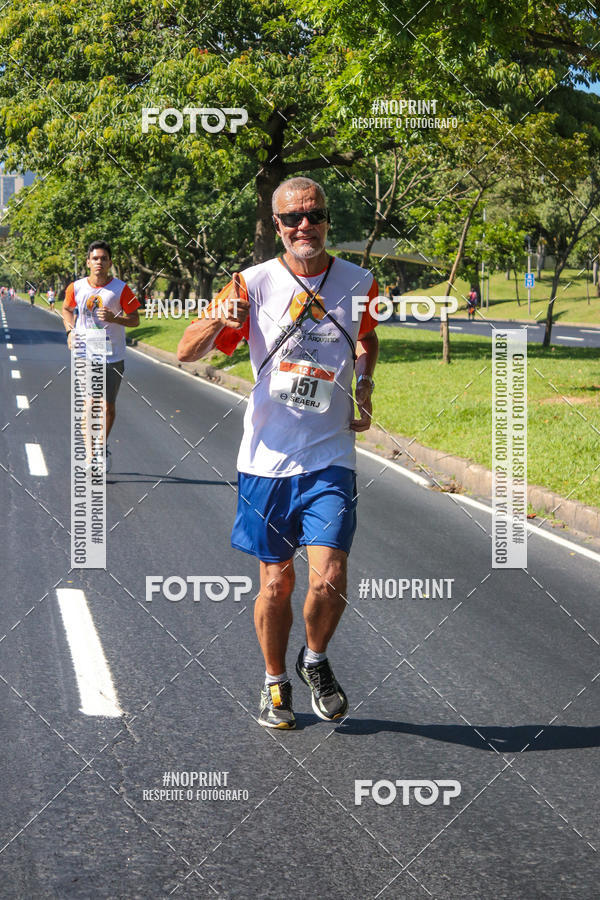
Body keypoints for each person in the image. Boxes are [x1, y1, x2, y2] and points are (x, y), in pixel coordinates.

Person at [177, 176, 379, 729]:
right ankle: (274, 681)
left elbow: (366, 336)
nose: (304, 225)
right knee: (276, 583)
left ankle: (314, 660)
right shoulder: (251, 283)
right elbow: (188, 352)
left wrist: (364, 384)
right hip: (266, 461)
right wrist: (220, 317)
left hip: (330, 454)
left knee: (329, 576)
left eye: (314, 214)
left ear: (327, 218)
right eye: (292, 218)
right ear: (278, 225)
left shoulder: (360, 281)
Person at [61, 240, 140, 473]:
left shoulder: (121, 289)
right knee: (90, 403)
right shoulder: (76, 288)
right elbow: (66, 309)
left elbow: (135, 319)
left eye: (104, 258)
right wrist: (70, 332)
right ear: (88, 262)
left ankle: (101, 446)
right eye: (95, 258)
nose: (99, 262)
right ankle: (90, 456)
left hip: (112, 354)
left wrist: (116, 319)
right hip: (85, 352)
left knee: (108, 407)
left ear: (110, 263)